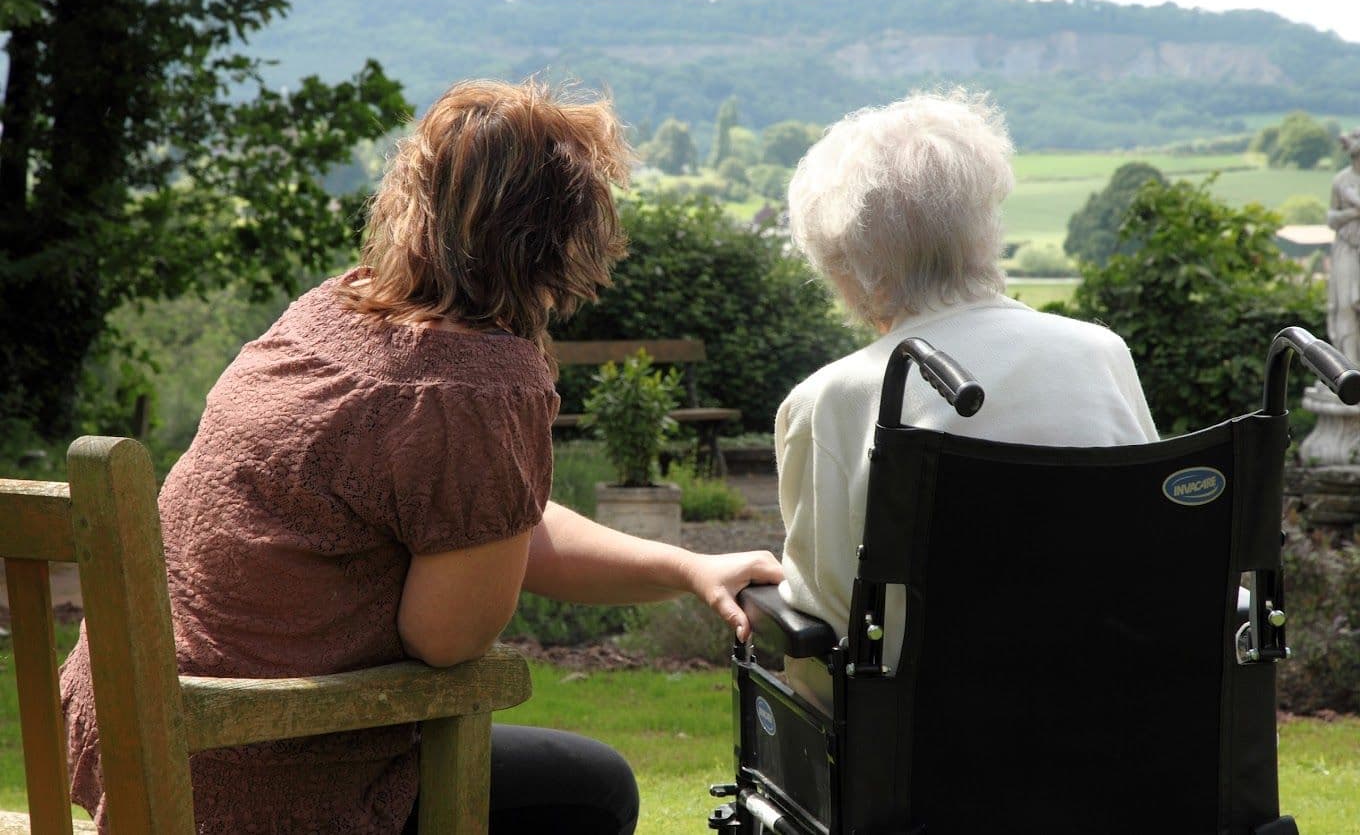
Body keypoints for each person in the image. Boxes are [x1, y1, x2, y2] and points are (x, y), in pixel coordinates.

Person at [59, 79, 782, 834]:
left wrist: (687, 567)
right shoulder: (477, 382)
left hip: (136, 736)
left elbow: (487, 529)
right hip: (255, 777)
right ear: (554, 235)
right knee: (595, 789)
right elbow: (445, 638)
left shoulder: (329, 313)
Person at [773, 90, 1158, 711]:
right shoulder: (1101, 354)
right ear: (984, 226)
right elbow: (1146, 545)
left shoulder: (828, 401)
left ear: (842, 261)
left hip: (919, 763)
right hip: (1110, 727)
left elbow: (825, 620)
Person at [1326, 128, 1360, 366]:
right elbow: (1331, 217)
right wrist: (1350, 213)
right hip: (1347, 247)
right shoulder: (1341, 180)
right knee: (1346, 305)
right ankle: (1350, 365)